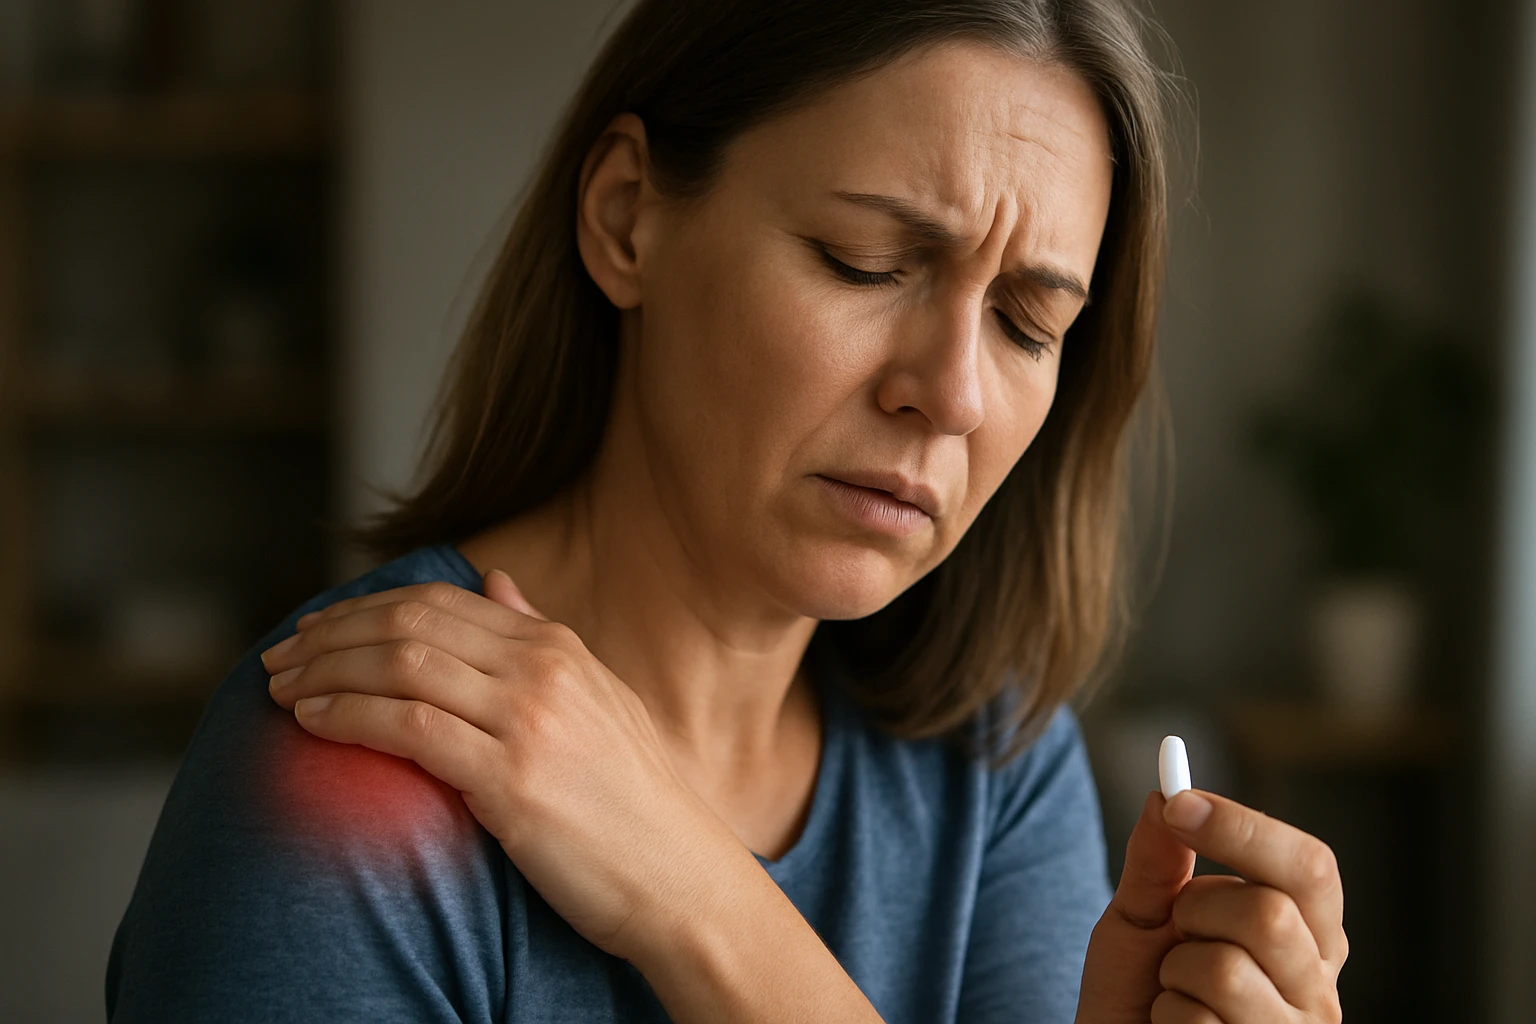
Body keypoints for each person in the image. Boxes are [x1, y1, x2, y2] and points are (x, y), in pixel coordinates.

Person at [106, 1, 1347, 1021]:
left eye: (1028, 324)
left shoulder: (994, 762)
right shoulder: (349, 767)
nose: (955, 394)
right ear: (626, 217)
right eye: (867, 262)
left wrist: (694, 893)